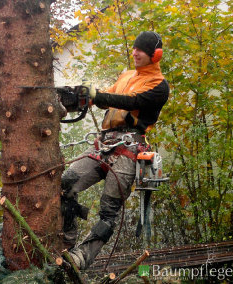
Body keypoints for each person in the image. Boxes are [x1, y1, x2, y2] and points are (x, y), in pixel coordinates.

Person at [61, 31, 169, 269]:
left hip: (129, 150)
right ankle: (65, 245)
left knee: (108, 211)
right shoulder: (127, 75)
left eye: (140, 50)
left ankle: (81, 258)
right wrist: (85, 96)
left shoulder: (159, 86)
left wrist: (99, 95)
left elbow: (131, 102)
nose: (135, 53)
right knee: (66, 184)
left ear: (155, 55)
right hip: (105, 143)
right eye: (134, 48)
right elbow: (106, 98)